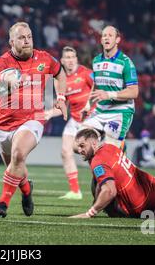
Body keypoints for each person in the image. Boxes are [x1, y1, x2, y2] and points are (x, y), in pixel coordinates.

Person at [0, 21, 68, 218]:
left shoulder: (44, 58)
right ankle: (27, 191)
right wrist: (2, 78)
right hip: (3, 124)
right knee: (16, 168)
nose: (27, 41)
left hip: (32, 119)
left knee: (18, 156)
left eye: (29, 37)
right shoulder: (4, 61)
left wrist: (60, 98)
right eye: (21, 37)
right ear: (11, 42)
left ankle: (3, 203)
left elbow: (60, 74)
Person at [45, 46, 94, 200]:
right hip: (75, 119)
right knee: (66, 151)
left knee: (89, 152)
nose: (71, 60)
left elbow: (100, 89)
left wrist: (90, 105)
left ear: (77, 59)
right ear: (62, 61)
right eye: (67, 57)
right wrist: (49, 113)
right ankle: (75, 191)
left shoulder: (86, 73)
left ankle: (104, 182)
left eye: (73, 57)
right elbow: (62, 107)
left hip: (91, 118)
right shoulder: (59, 80)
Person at [82, 25, 139, 147]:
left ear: (117, 40)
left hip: (120, 111)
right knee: (80, 143)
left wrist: (109, 95)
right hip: (101, 110)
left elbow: (134, 92)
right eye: (104, 36)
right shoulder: (96, 61)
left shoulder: (126, 62)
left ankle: (120, 149)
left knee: (109, 149)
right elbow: (96, 86)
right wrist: (88, 105)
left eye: (110, 35)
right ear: (101, 40)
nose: (106, 38)